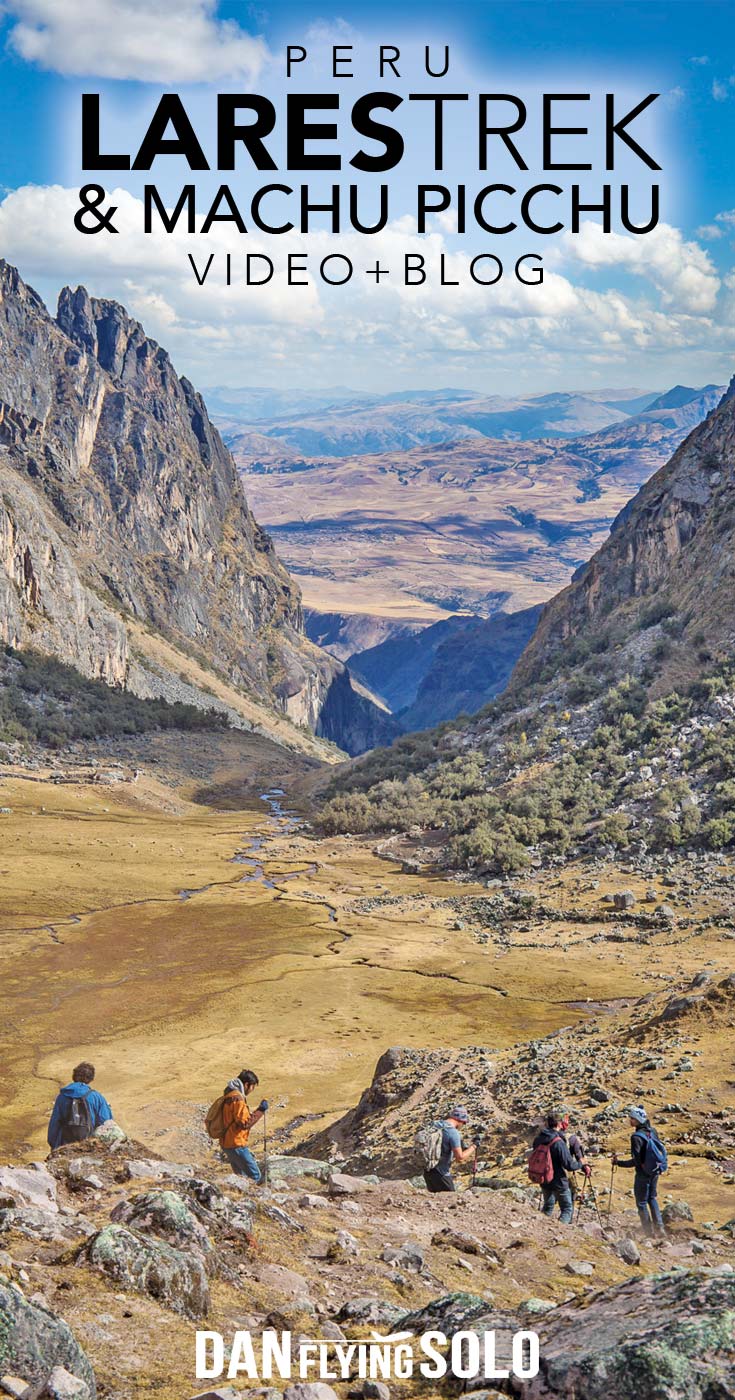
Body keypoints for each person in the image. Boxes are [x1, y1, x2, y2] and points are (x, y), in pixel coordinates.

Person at [612, 1105, 666, 1237]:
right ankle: (660, 1228)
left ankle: (649, 1232)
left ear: (637, 1120)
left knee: (641, 1202)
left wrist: (618, 1163)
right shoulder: (652, 1131)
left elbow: (636, 1161)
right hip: (655, 1171)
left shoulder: (636, 1137)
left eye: (632, 1118)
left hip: (643, 1174)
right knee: (652, 1198)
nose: (630, 1120)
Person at [532, 1110, 590, 1223]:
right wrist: (581, 1163)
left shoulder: (538, 1139)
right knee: (567, 1209)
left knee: (548, 1206)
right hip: (559, 1180)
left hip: (543, 1178)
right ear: (559, 1124)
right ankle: (561, 1232)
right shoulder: (559, 1141)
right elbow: (569, 1165)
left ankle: (541, 1229)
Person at [48, 1062, 113, 1149]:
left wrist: (54, 1146)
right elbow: (106, 1122)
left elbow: (54, 1123)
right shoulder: (96, 1097)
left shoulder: (62, 1097)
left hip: (65, 1144)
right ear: (90, 1078)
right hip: (88, 1144)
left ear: (74, 1076)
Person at [219, 1070, 269, 1182]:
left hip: (227, 1143)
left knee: (240, 1178)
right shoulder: (238, 1099)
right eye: (252, 1087)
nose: (252, 1090)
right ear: (246, 1084)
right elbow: (245, 1123)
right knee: (255, 1176)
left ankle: (241, 1197)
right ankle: (255, 1198)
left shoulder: (229, 1094)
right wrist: (261, 1110)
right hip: (236, 1143)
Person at [423, 1106, 477, 1193]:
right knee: (450, 1199)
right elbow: (460, 1158)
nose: (463, 1126)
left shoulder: (435, 1125)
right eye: (464, 1123)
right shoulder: (452, 1132)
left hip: (427, 1171)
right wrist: (474, 1146)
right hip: (442, 1174)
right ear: (461, 1120)